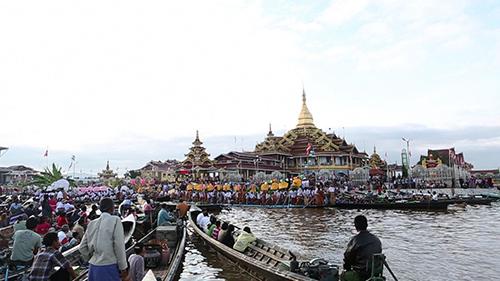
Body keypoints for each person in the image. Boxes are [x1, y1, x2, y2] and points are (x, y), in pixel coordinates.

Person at [79, 198, 128, 281]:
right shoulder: (115, 220)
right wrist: (123, 268)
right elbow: (119, 246)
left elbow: (82, 247)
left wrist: (92, 258)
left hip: (93, 268)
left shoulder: (92, 223)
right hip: (109, 266)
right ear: (112, 208)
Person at [341, 215, 382, 281]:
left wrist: (347, 267)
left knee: (343, 275)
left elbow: (347, 257)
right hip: (375, 272)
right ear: (367, 225)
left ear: (356, 226)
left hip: (362, 274)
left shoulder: (356, 240)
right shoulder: (376, 239)